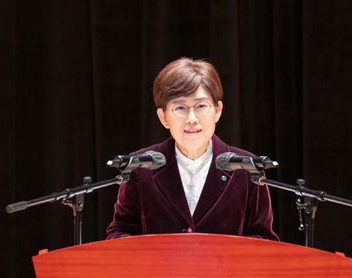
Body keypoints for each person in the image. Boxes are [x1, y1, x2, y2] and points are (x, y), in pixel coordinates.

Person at [106, 57, 278, 241]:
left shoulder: (247, 167)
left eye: (201, 106)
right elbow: (119, 232)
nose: (192, 119)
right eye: (180, 108)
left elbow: (264, 239)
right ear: (163, 117)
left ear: (217, 110)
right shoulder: (141, 166)